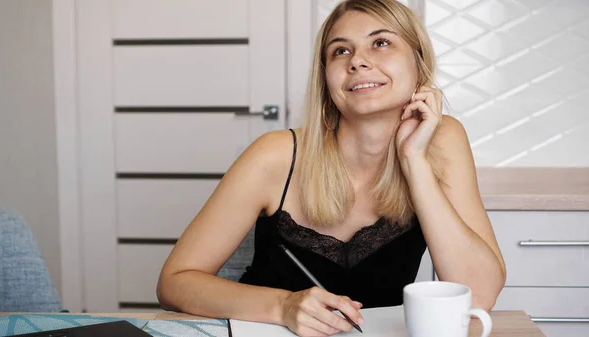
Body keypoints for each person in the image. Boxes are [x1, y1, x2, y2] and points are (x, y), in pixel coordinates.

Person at [157, 0, 507, 336]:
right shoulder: (274, 154)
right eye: (341, 51)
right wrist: (284, 306)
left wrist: (414, 163)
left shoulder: (442, 139)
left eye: (381, 43)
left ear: (419, 62)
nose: (357, 61)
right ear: (326, 79)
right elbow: (175, 282)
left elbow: (478, 296)